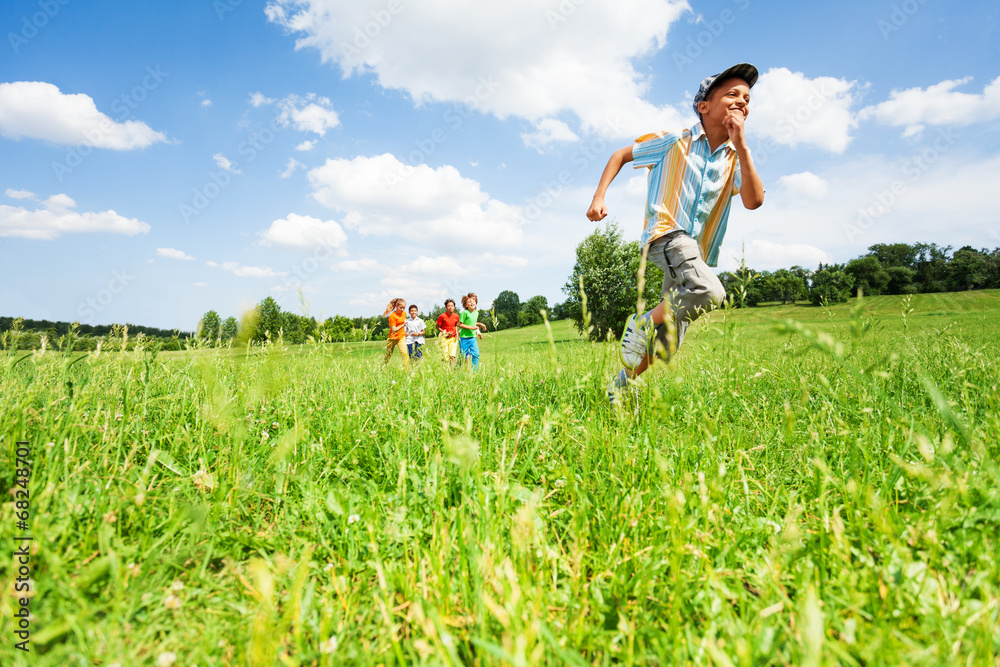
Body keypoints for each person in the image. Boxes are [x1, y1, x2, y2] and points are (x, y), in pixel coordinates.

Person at [586, 63, 765, 404]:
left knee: (669, 344)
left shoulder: (735, 158)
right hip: (665, 233)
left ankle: (620, 387)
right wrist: (599, 197)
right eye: (732, 94)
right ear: (704, 107)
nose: (742, 101)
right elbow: (621, 154)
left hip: (694, 252)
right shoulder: (675, 141)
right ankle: (640, 322)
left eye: (747, 98)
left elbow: (754, 201)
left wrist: (742, 146)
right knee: (710, 291)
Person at [456, 292, 487, 370]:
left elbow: (472, 322)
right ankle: (456, 370)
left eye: (473, 301)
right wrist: (471, 328)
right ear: (466, 305)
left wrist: (479, 324)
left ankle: (474, 371)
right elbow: (460, 324)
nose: (472, 303)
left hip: (473, 338)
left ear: (476, 303)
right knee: (462, 356)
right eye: (469, 302)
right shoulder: (464, 313)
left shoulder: (476, 313)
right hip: (464, 338)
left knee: (476, 354)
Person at [382, 297, 409, 370]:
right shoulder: (392, 316)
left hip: (401, 337)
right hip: (392, 338)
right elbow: (393, 330)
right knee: (388, 355)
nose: (402, 309)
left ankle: (406, 371)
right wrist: (403, 324)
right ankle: (383, 367)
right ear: (396, 306)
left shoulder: (404, 313)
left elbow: (404, 323)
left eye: (404, 308)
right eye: (400, 308)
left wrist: (405, 330)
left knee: (404, 354)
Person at [435, 299, 460, 367]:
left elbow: (456, 325)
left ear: (454, 307)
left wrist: (457, 333)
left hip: (453, 338)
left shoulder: (456, 316)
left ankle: (452, 371)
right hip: (444, 338)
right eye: (448, 306)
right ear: (446, 307)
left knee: (452, 355)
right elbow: (437, 326)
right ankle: (444, 370)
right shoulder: (442, 316)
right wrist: (444, 332)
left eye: (452, 306)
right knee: (445, 356)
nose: (450, 307)